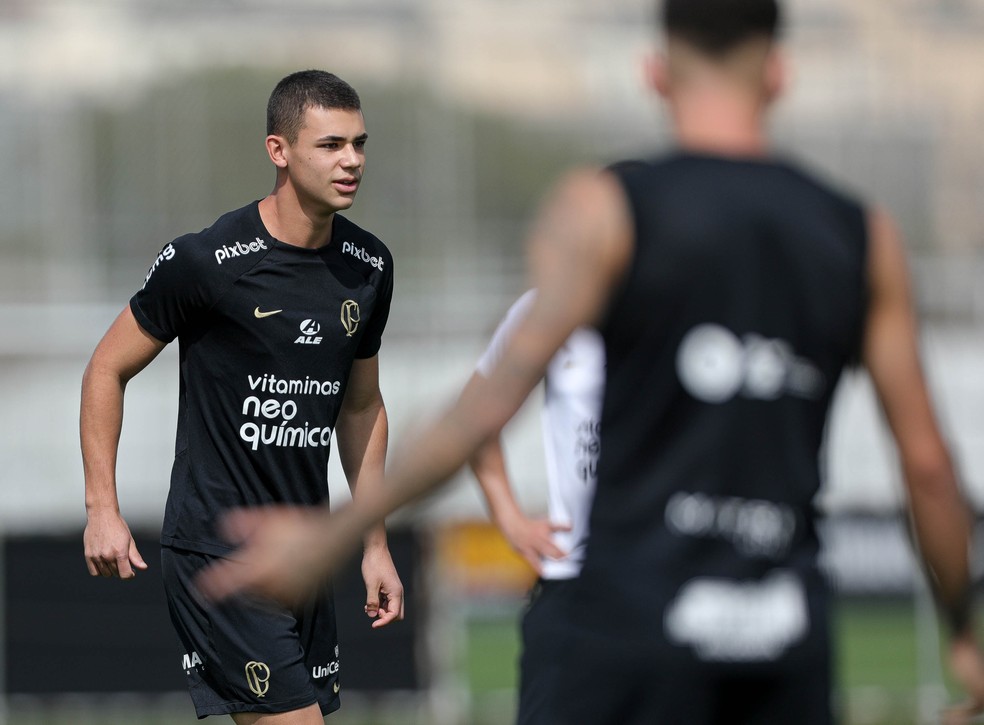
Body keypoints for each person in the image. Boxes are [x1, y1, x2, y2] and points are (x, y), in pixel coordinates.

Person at [198, 3, 984, 723]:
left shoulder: (605, 215)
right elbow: (929, 465)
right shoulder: (859, 234)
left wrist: (337, 537)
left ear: (656, 75)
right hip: (781, 641)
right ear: (779, 74)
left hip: (625, 630)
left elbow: (483, 409)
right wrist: (962, 626)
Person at [81, 70, 404, 724]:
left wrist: (374, 543)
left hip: (301, 553)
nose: (352, 161)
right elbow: (105, 369)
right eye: (331, 144)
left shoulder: (368, 268)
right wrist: (102, 508)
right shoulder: (207, 262)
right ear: (278, 150)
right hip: (218, 551)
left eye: (359, 144)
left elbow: (362, 407)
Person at [468, 289, 604, 723]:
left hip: (674, 583)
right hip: (573, 586)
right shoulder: (552, 303)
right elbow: (474, 414)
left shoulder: (704, 289)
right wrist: (509, 517)